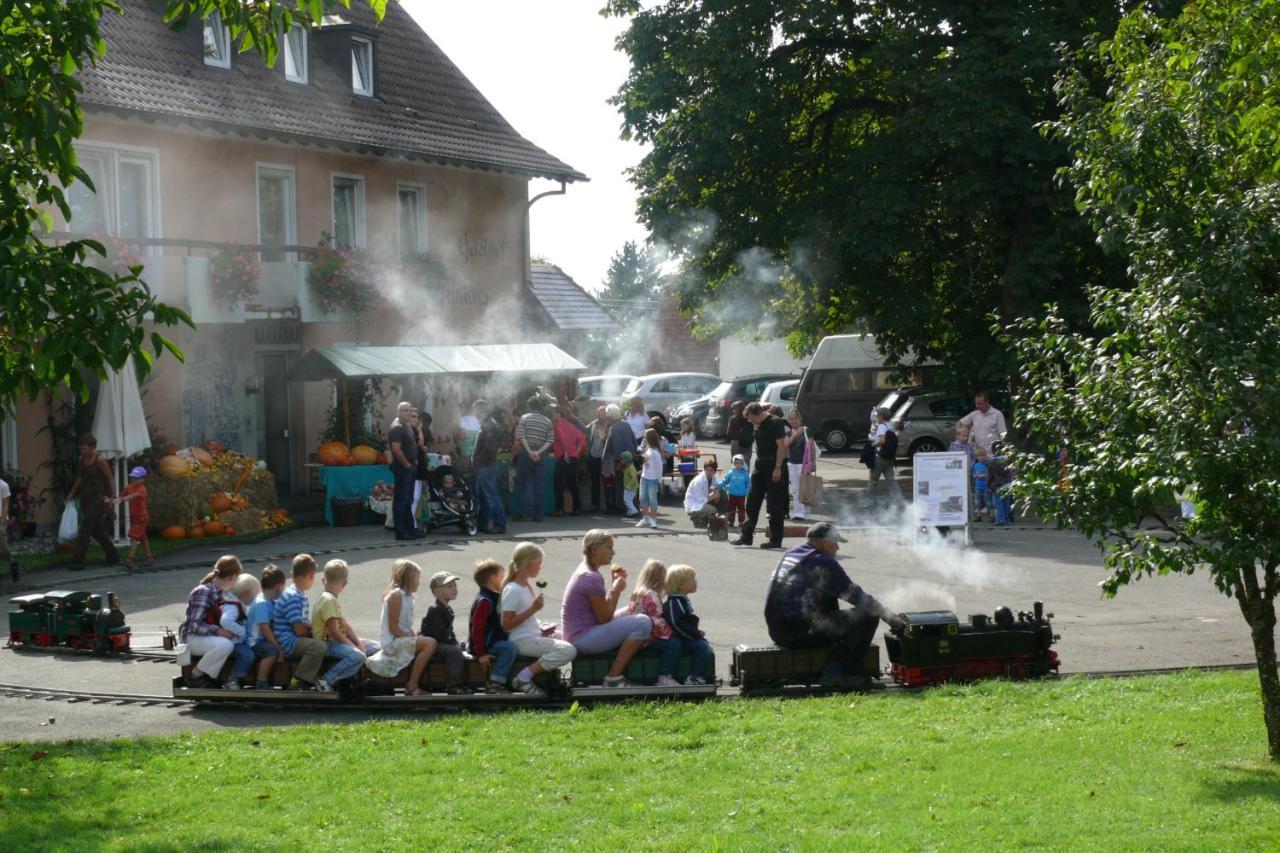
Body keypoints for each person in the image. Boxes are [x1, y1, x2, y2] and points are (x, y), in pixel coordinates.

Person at [764, 523, 907, 687]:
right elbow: (857, 596)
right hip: (796, 632)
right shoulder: (822, 562)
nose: (837, 548)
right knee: (868, 616)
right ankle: (840, 673)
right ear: (824, 542)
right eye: (835, 542)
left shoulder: (793, 553)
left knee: (828, 594)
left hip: (777, 629)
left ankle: (832, 657)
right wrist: (891, 618)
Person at [561, 529, 652, 688]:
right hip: (582, 638)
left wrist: (614, 585)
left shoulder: (587, 571)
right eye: (609, 548)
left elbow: (601, 612)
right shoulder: (591, 577)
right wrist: (615, 590)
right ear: (595, 550)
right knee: (643, 623)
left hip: (582, 631)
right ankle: (613, 678)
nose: (613, 552)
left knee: (635, 610)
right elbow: (604, 618)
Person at [501, 542, 576, 696]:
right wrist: (533, 609)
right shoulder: (513, 589)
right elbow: (506, 624)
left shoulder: (525, 585)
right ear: (529, 564)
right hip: (521, 639)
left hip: (533, 634)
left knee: (573, 637)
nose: (540, 567)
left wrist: (541, 626)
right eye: (539, 563)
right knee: (568, 650)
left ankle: (554, 679)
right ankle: (523, 677)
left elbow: (526, 618)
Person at [366, 559, 438, 696]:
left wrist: (414, 636)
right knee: (430, 643)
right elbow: (394, 628)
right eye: (417, 578)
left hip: (401, 638)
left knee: (427, 640)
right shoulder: (396, 595)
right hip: (392, 641)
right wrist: (413, 638)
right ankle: (412, 684)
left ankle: (418, 681)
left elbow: (405, 625)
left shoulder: (410, 597)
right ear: (408, 578)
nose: (419, 582)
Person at [311, 559, 380, 692]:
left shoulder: (330, 598)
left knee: (375, 647)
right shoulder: (329, 600)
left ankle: (360, 678)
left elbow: (344, 625)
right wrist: (354, 647)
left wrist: (358, 642)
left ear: (323, 580)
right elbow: (334, 631)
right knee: (358, 656)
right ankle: (326, 679)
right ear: (345, 583)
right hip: (328, 644)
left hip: (336, 641)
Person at [178, 555, 242, 689]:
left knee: (229, 643)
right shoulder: (203, 592)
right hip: (191, 637)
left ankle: (211, 677)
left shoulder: (220, 592)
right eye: (237, 579)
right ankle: (196, 676)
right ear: (232, 577)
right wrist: (218, 631)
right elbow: (194, 624)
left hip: (204, 636)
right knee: (224, 645)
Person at [732, 402, 789, 549]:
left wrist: (778, 467)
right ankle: (746, 536)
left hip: (773, 465)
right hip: (760, 465)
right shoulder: (757, 424)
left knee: (774, 504)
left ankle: (775, 539)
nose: (751, 422)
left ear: (758, 413)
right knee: (752, 501)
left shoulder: (775, 423)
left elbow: (781, 446)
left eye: (752, 419)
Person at [270, 554, 329, 690]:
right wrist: (314, 630)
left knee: (321, 641)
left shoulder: (299, 594)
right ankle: (299, 679)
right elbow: (299, 630)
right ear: (310, 576)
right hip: (287, 641)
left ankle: (312, 676)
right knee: (319, 647)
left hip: (294, 637)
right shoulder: (293, 597)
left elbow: (302, 623)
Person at [65, 432, 120, 571]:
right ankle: (113, 555)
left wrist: (113, 496)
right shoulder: (82, 460)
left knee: (85, 530)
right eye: (81, 449)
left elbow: (109, 478)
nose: (82, 451)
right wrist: (72, 493)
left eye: (85, 448)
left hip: (98, 498)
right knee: (96, 530)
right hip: (86, 498)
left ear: (92, 447)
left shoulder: (100, 460)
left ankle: (77, 561)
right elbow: (80, 478)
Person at [627, 560, 682, 687]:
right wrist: (672, 633)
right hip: (647, 637)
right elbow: (657, 620)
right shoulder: (651, 595)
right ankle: (665, 676)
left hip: (635, 636)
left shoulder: (638, 593)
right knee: (673, 644)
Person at [468, 559, 519, 694]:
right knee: (510, 648)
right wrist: (482, 654)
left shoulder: (493, 597)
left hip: (492, 641)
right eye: (502, 577)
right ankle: (495, 682)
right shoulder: (485, 601)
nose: (504, 580)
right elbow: (477, 629)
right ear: (492, 579)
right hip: (486, 644)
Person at [663, 565, 715, 684]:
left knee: (704, 645)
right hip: (679, 638)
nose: (696, 582)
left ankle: (697, 675)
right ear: (681, 585)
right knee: (703, 648)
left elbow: (685, 621)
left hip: (685, 636)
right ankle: (695, 676)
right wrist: (694, 634)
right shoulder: (675, 602)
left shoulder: (681, 600)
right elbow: (677, 624)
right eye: (692, 579)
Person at [420, 570, 469, 694]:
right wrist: (453, 644)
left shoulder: (446, 608)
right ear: (436, 592)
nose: (454, 589)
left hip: (439, 641)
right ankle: (453, 685)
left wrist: (455, 641)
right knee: (454, 651)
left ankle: (465, 681)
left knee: (460, 647)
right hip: (432, 644)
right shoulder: (436, 610)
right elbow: (439, 635)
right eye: (449, 587)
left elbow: (447, 632)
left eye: (454, 586)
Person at [247, 564, 287, 690]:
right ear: (278, 586)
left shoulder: (271, 600)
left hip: (264, 638)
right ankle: (261, 681)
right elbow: (265, 629)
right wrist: (278, 647)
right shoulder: (261, 604)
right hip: (255, 642)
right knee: (272, 651)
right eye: (283, 586)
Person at [514, 396, 554, 522]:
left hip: (526, 453)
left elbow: (521, 436)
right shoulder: (547, 421)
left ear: (529, 406)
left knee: (521, 484)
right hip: (541, 454)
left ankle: (522, 512)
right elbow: (550, 440)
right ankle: (539, 515)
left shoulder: (524, 419)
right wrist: (538, 452)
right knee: (539, 485)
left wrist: (530, 451)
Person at [471, 400, 506, 535]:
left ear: (479, 410)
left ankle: (499, 523)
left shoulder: (489, 426)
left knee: (490, 495)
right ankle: (484, 523)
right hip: (485, 465)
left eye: (474, 410)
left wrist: (477, 460)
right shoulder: (487, 424)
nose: (473, 413)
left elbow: (489, 449)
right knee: (485, 495)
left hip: (486, 465)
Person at [388, 401, 422, 541]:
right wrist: (407, 464)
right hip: (403, 468)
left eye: (409, 410)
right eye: (405, 410)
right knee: (401, 500)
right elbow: (396, 449)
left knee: (409, 499)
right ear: (398, 412)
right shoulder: (397, 428)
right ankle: (401, 533)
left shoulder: (406, 425)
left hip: (411, 467)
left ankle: (410, 530)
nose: (408, 413)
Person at [220, 573, 260, 689]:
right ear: (248, 594)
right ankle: (232, 679)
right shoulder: (233, 607)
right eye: (256, 594)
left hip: (237, 641)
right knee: (248, 655)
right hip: (232, 642)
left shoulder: (242, 604)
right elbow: (225, 621)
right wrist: (242, 631)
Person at [112, 465, 153, 568]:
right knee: (142, 537)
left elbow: (133, 496)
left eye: (136, 478)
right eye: (132, 477)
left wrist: (122, 499)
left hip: (141, 517)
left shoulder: (142, 489)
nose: (133, 479)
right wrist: (112, 500)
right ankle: (149, 557)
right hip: (134, 517)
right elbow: (122, 496)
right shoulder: (129, 487)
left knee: (133, 537)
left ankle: (130, 559)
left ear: (143, 479)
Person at [551, 405, 587, 516]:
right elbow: (581, 437)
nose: (553, 416)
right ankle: (577, 508)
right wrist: (577, 451)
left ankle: (559, 509)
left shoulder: (558, 424)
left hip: (563, 456)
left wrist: (566, 452)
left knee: (558, 482)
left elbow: (563, 438)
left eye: (553, 413)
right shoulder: (570, 425)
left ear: (558, 414)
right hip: (573, 456)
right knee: (572, 483)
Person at [603, 404, 636, 515]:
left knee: (621, 484)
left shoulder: (614, 427)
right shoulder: (626, 425)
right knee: (630, 483)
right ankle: (632, 505)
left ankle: (622, 507)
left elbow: (616, 445)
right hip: (630, 457)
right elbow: (634, 441)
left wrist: (619, 462)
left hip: (621, 460)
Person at [784, 410, 816, 521]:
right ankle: (797, 513)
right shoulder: (789, 433)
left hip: (804, 464)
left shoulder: (807, 430)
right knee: (795, 490)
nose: (793, 421)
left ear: (800, 419)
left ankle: (805, 513)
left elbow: (812, 447)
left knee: (804, 489)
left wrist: (813, 462)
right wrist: (795, 435)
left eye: (795, 418)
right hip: (791, 464)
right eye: (791, 419)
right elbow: (785, 445)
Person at [636, 428, 669, 529]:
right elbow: (643, 454)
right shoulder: (649, 449)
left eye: (645, 436)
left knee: (652, 500)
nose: (644, 438)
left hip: (652, 479)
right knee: (642, 499)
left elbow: (659, 467)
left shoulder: (655, 452)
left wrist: (659, 480)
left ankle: (653, 519)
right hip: (644, 477)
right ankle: (645, 518)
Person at [868, 408, 901, 500]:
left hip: (880, 458)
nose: (876, 417)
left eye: (878, 416)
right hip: (889, 458)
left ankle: (869, 502)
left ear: (882, 417)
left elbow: (882, 441)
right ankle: (900, 501)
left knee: (873, 481)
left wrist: (873, 444)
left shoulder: (882, 426)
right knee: (891, 481)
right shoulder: (891, 426)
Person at [684, 457, 724, 528]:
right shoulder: (699, 481)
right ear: (704, 470)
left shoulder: (713, 477)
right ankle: (696, 517)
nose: (709, 472)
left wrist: (716, 492)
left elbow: (715, 486)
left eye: (711, 470)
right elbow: (701, 501)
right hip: (694, 505)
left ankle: (720, 519)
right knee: (713, 510)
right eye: (707, 470)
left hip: (703, 501)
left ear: (714, 471)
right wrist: (713, 497)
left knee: (723, 494)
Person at [586, 405, 610, 513]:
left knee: (606, 479)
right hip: (593, 455)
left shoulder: (610, 425)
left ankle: (608, 505)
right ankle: (594, 504)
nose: (599, 416)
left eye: (601, 414)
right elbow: (585, 429)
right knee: (594, 480)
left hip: (605, 456)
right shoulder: (594, 424)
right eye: (598, 414)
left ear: (606, 414)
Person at [720, 454, 750, 527]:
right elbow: (725, 481)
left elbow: (748, 484)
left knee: (741, 509)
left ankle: (741, 522)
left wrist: (747, 491)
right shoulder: (731, 472)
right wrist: (719, 486)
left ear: (743, 464)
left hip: (741, 495)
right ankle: (731, 521)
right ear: (733, 463)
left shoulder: (745, 473)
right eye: (736, 463)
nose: (738, 465)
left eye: (740, 463)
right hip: (732, 494)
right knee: (731, 508)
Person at [0, 474, 18, 581]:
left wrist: (3, 521)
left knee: (3, 547)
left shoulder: (3, 485)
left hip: (0, 519)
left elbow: (6, 505)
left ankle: (12, 563)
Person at [727, 401, 754, 468]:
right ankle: (745, 477)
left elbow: (729, 433)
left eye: (734, 409)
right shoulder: (749, 418)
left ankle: (736, 477)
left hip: (736, 442)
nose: (733, 411)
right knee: (746, 462)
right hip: (748, 442)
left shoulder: (733, 419)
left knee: (736, 462)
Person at [620, 451, 640, 518]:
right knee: (629, 500)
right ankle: (629, 512)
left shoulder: (631, 467)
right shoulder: (628, 467)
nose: (621, 461)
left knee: (627, 500)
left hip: (630, 488)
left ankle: (633, 511)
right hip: (631, 487)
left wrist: (629, 486)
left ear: (626, 460)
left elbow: (633, 477)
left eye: (622, 459)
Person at [973, 448, 992, 519]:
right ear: (977, 457)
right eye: (979, 456)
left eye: (982, 456)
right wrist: (977, 475)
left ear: (985, 456)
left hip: (986, 486)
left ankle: (992, 516)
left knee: (988, 501)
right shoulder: (976, 465)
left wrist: (983, 476)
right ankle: (978, 516)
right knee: (977, 502)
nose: (981, 457)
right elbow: (974, 475)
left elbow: (989, 475)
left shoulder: (987, 465)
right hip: (978, 487)